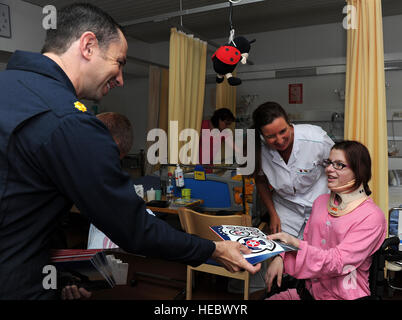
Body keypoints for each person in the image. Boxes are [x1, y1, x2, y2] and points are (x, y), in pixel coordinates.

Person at [0, 3, 260, 299]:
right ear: (88, 45)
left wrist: (57, 277)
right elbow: (133, 228)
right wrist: (212, 249)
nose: (121, 79)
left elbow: (24, 204)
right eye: (120, 62)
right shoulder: (70, 121)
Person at [264, 140, 387, 300]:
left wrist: (294, 243)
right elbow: (308, 244)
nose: (329, 169)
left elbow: (338, 262)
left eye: (339, 165)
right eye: (329, 163)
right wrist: (281, 257)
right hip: (307, 292)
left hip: (343, 296)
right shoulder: (321, 202)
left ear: (359, 171)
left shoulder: (371, 216)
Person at [252, 101, 334, 238]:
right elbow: (260, 181)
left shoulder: (316, 139)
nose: (279, 140)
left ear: (289, 123)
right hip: (285, 208)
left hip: (321, 204)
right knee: (283, 251)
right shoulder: (257, 149)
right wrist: (272, 214)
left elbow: (339, 169)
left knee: (317, 249)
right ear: (261, 135)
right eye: (271, 136)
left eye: (283, 131)